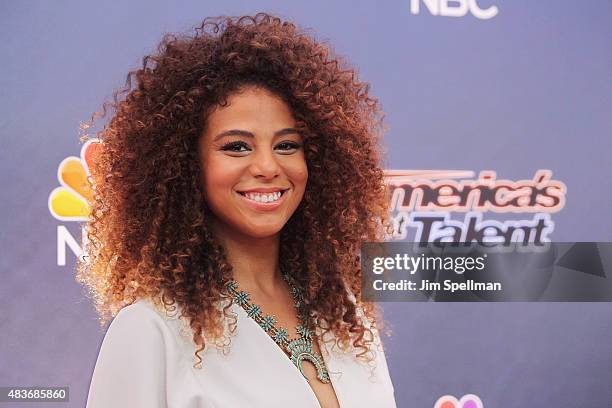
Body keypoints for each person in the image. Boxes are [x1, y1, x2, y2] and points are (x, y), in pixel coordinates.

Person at [78, 13, 396, 408]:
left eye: (287, 145)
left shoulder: (347, 316)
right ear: (185, 164)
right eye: (236, 147)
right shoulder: (151, 330)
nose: (267, 166)